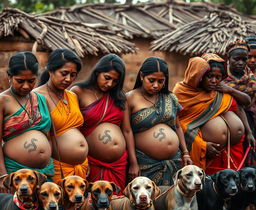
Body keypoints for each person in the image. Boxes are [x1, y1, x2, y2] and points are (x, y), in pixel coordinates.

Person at [173, 53, 252, 174]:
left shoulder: (220, 91)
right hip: (208, 156)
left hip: (233, 153)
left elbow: (241, 106)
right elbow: (181, 123)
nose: (214, 81)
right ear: (200, 76)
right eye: (210, 76)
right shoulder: (184, 93)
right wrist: (203, 145)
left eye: (218, 77)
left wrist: (249, 132)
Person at [71, 53, 139, 192]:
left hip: (118, 164)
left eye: (115, 81)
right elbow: (72, 127)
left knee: (115, 202)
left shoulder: (119, 97)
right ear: (97, 72)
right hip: (91, 160)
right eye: (107, 78)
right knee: (91, 203)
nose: (110, 84)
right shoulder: (78, 92)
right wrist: (80, 160)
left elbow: (126, 130)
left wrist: (133, 163)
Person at [127, 57, 192, 186]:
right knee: (146, 200)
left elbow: (177, 127)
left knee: (171, 202)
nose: (156, 85)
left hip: (174, 162)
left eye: (161, 81)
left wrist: (185, 153)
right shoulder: (130, 98)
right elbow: (127, 131)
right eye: (151, 80)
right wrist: (133, 163)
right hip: (145, 163)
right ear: (141, 76)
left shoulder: (170, 97)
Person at [0, 51, 54, 188]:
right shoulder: (3, 101)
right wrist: (3, 176)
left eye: (31, 81)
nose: (26, 86)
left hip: (44, 174)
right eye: (20, 81)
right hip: (16, 175)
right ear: (9, 76)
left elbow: (50, 137)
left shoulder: (40, 99)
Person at [35, 48, 89, 183]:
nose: (68, 79)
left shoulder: (72, 96)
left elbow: (77, 130)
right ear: (50, 70)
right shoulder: (37, 96)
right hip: (56, 167)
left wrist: (84, 160)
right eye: (64, 73)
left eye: (73, 75)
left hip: (80, 167)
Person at [225, 39, 256, 166]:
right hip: (231, 123)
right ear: (228, 58)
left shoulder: (250, 77)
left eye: (244, 59)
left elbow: (248, 101)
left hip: (251, 119)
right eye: (236, 59)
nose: (241, 63)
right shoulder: (221, 77)